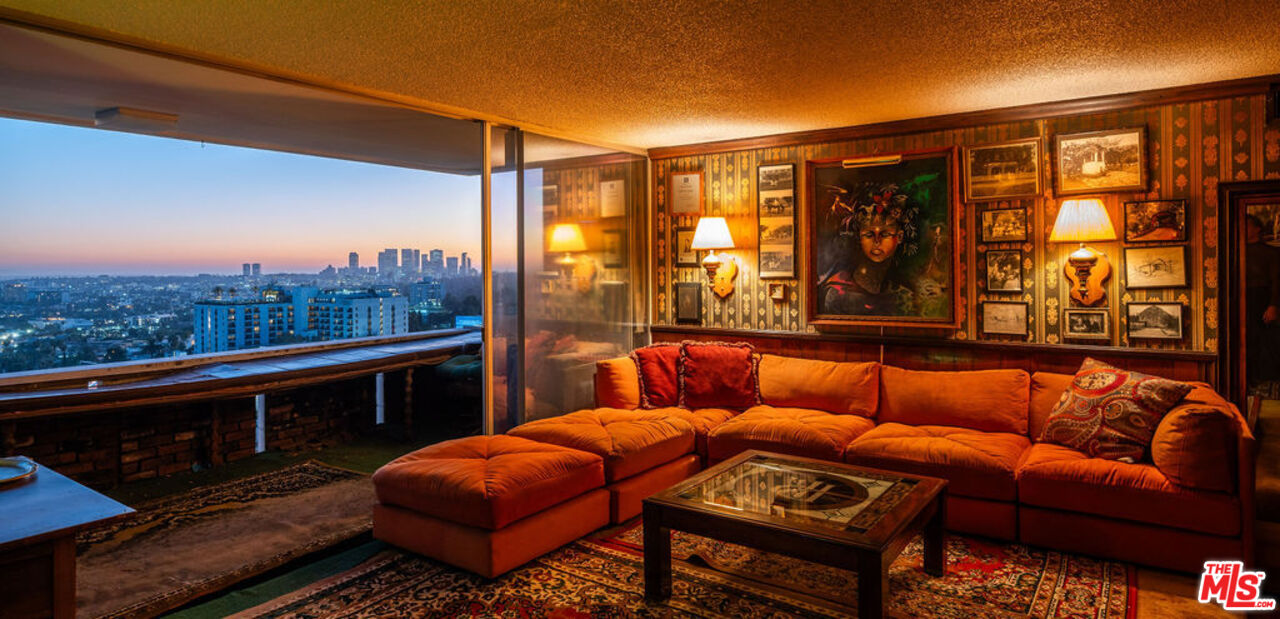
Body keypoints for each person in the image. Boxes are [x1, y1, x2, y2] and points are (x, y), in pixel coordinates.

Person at [818, 183, 919, 316]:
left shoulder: (904, 294)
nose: (877, 242)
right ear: (860, 237)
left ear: (899, 237)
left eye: (885, 234)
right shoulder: (839, 291)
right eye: (869, 235)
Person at [1246, 214, 1280, 389]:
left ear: (1257, 228)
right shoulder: (1236, 249)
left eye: (1248, 225)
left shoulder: (1270, 252)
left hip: (1262, 298)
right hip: (1242, 298)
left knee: (1264, 339)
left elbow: (1277, 280)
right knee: (1246, 338)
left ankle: (1265, 378)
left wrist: (1273, 305)